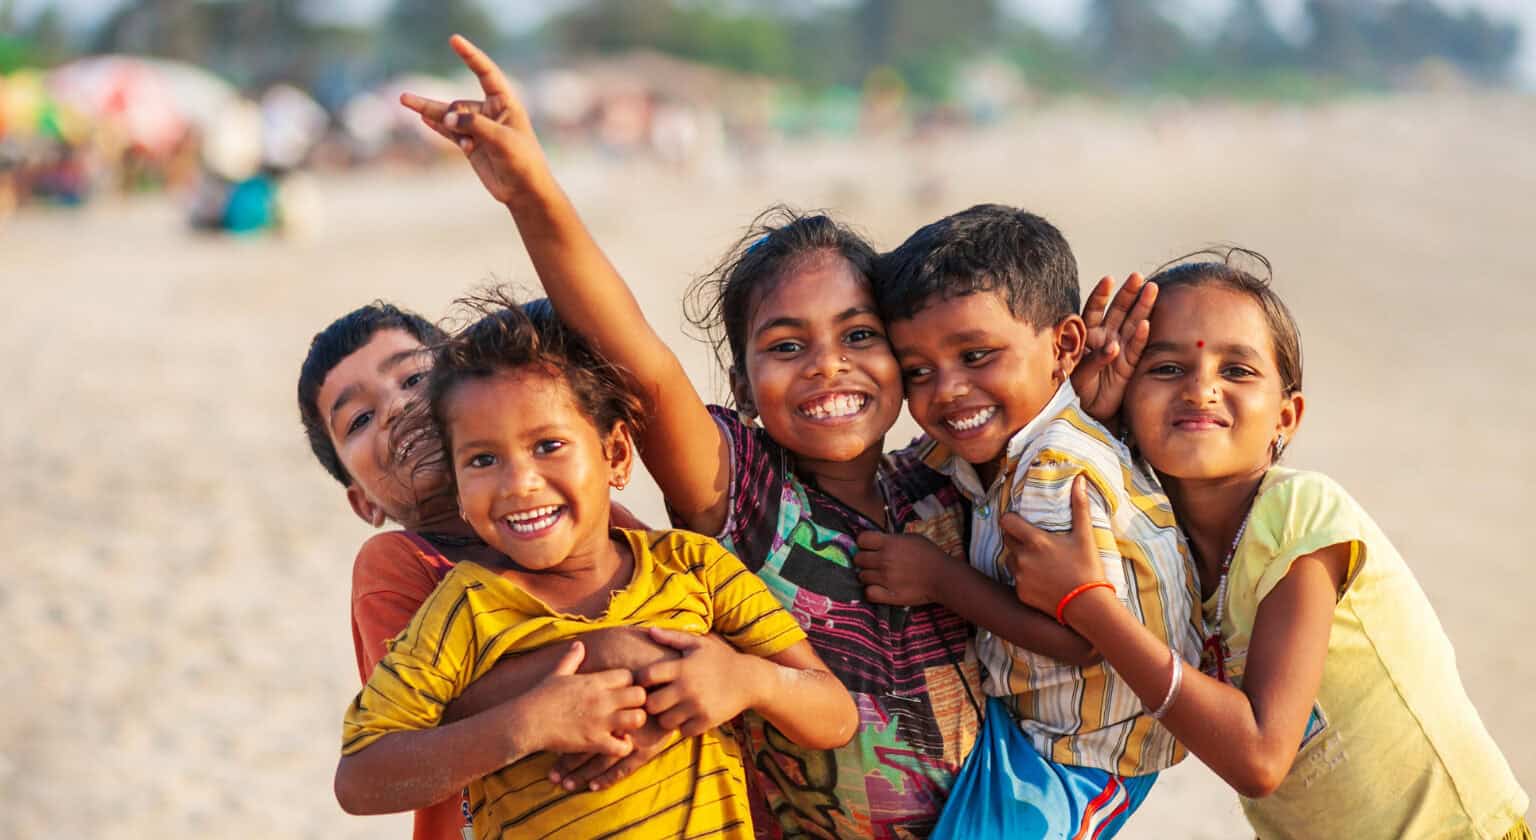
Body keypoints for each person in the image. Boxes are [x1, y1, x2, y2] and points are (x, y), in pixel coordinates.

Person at [399, 34, 1008, 838]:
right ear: (740, 386)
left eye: (859, 335)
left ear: (899, 351)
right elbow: (643, 367)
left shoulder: (946, 480)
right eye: (785, 346)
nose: (827, 366)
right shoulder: (746, 496)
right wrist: (531, 192)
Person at [1001, 250, 1531, 840]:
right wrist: (1082, 418)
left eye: (1237, 370)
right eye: (1167, 368)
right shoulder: (1158, 547)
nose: (1201, 389)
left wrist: (1088, 604)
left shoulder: (1299, 513)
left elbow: (1259, 756)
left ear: (1287, 417)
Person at [333, 295, 857, 839]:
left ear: (617, 454)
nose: (519, 483)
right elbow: (360, 778)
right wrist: (526, 724)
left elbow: (836, 715)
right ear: (460, 490)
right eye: (483, 460)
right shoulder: (462, 609)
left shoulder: (692, 568)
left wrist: (748, 681)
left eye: (548, 445)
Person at [867, 205, 1201, 838]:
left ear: (1064, 347)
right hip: (1033, 714)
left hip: (1087, 750)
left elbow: (1080, 638)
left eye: (976, 355)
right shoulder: (1000, 437)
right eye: (918, 372)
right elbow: (909, 463)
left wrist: (937, 579)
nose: (947, 390)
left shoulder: (1053, 472)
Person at [297, 301, 665, 840]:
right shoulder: (400, 564)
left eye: (414, 379)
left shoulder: (586, 518)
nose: (395, 409)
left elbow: (685, 615)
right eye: (359, 419)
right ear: (363, 503)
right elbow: (428, 717)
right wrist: (606, 653)